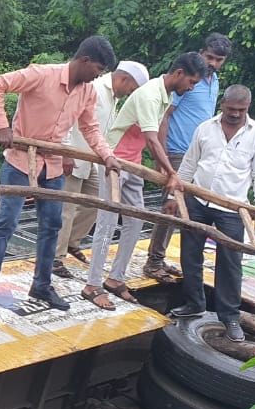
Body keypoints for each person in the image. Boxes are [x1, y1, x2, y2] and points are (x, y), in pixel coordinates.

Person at [0, 36, 121, 312]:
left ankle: (41, 285)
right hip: (19, 161)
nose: (96, 77)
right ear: (85, 61)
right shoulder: (42, 75)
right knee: (6, 222)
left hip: (52, 165)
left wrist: (107, 155)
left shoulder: (87, 92)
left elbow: (90, 128)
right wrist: (2, 126)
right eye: (97, 70)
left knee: (52, 226)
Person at [81, 53, 208, 310]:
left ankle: (115, 279)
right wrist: (173, 174)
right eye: (192, 82)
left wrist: (163, 168)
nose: (191, 88)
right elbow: (151, 138)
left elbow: (157, 136)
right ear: (179, 73)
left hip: (134, 164)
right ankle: (92, 285)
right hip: (114, 162)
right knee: (106, 225)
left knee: (136, 220)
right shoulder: (150, 94)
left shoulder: (166, 95)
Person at [170, 86, 255, 342]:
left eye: (241, 110)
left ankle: (230, 316)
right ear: (222, 105)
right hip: (198, 199)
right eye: (231, 109)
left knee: (230, 263)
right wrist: (175, 196)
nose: (235, 114)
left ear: (248, 107)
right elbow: (190, 162)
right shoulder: (206, 128)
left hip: (232, 208)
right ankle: (194, 303)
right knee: (190, 255)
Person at [143, 33, 233, 281]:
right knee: (171, 207)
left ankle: (161, 259)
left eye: (219, 59)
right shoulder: (188, 81)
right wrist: (162, 159)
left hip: (197, 154)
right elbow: (165, 116)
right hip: (176, 152)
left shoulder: (213, 82)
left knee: (187, 210)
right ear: (201, 53)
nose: (213, 63)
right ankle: (153, 262)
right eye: (210, 57)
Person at [53, 60, 148, 279]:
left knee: (96, 201)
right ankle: (55, 258)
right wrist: (65, 151)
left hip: (93, 160)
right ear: (124, 79)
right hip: (74, 157)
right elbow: (67, 118)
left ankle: (72, 241)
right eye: (131, 89)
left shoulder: (113, 98)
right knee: (66, 210)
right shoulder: (95, 88)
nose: (130, 94)